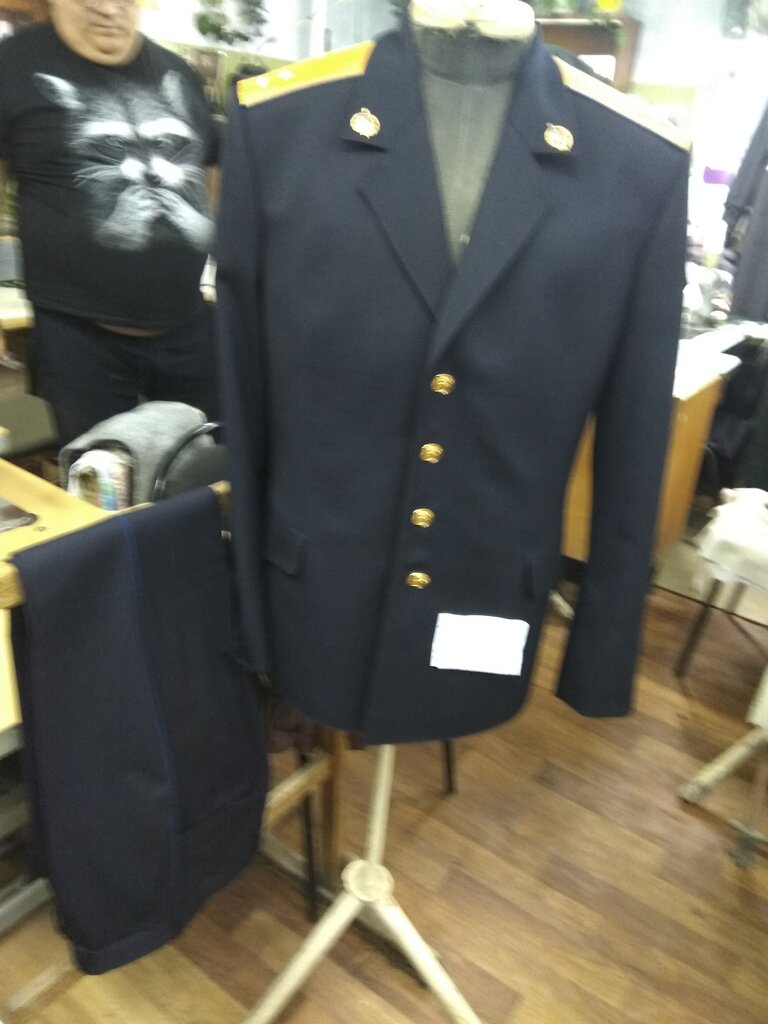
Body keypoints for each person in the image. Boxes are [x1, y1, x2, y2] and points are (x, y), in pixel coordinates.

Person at [0, 0, 220, 445]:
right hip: (79, 341)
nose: (109, 10)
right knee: (101, 478)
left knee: (202, 471)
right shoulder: (13, 65)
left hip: (188, 327)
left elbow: (210, 163)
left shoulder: (176, 71)